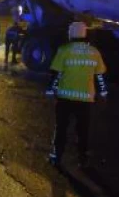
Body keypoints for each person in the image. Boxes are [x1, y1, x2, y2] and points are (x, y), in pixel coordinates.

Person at [45, 21, 108, 169]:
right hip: (85, 99)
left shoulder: (64, 50)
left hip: (65, 97)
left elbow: (56, 74)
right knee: (82, 130)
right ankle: (82, 159)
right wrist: (103, 93)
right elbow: (100, 76)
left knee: (61, 128)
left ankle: (56, 157)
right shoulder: (94, 52)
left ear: (71, 33)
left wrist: (50, 90)